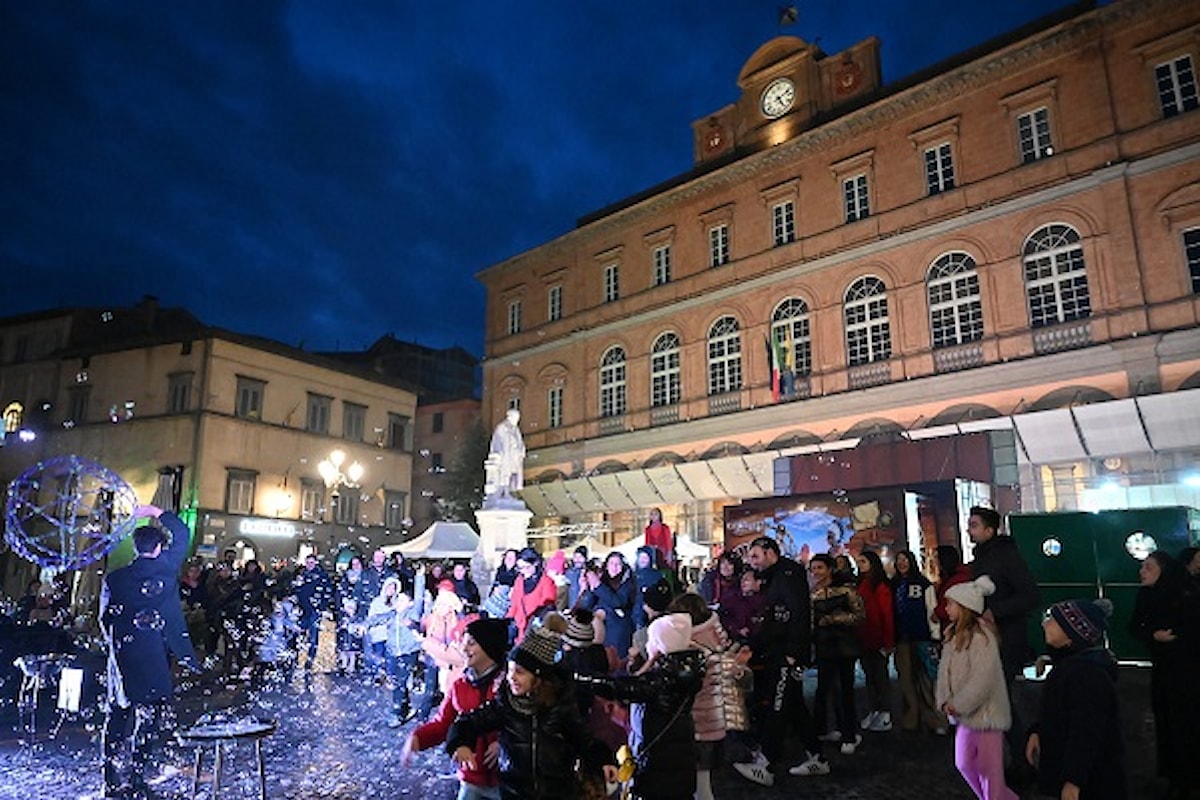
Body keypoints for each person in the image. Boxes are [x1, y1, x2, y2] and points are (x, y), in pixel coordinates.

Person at [445, 618, 617, 799]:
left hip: (556, 793)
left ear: (538, 677)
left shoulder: (560, 707)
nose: (511, 678)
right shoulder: (506, 705)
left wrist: (603, 761)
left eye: (519, 672)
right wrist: (460, 742)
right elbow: (469, 721)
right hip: (515, 794)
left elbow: (585, 740)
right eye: (510, 671)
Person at [100, 504, 200, 799]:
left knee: (117, 716)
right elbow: (181, 533)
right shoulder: (166, 569)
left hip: (122, 656)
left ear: (135, 547)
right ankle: (137, 777)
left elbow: (104, 617)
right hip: (153, 653)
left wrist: (115, 645)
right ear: (159, 547)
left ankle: (110, 779)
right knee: (149, 718)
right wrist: (155, 511)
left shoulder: (115, 578)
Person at [733, 536, 826, 787]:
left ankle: (767, 763)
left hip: (786, 653)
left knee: (778, 705)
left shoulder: (788, 574)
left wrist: (793, 652)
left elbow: (797, 613)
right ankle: (817, 756)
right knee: (793, 705)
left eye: (755, 556)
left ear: (769, 552)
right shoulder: (776, 575)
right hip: (777, 650)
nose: (751, 562)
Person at [966, 506, 1039, 788]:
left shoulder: (1006, 556)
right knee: (999, 702)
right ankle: (1016, 760)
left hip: (1007, 640)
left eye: (974, 525)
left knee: (1002, 701)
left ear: (989, 529)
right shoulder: (983, 557)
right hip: (989, 639)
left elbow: (1030, 595)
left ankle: (1023, 761)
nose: (970, 529)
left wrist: (997, 611)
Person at [1026, 598, 1127, 800]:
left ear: (1071, 635)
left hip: (1091, 781)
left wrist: (1073, 780)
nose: (1045, 624)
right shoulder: (1067, 666)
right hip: (1069, 768)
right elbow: (1054, 710)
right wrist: (1038, 730)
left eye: (1053, 621)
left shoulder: (1087, 675)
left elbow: (1087, 731)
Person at [404, 617, 511, 800]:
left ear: (489, 647)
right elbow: (443, 724)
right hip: (471, 780)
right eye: (463, 642)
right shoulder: (460, 686)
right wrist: (417, 738)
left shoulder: (509, 684)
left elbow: (524, 723)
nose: (463, 648)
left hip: (507, 781)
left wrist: (505, 743)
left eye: (471, 643)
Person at [935, 576, 1018, 800]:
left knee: (990, 774)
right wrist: (945, 699)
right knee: (964, 763)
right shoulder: (953, 635)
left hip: (986, 716)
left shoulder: (982, 638)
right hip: (963, 715)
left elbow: (983, 678)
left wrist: (958, 703)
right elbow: (945, 671)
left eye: (950, 604)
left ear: (965, 608)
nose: (946, 608)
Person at [1129, 551, 1200, 799]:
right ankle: (1173, 775)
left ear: (1164, 570)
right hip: (1163, 669)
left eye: (1148, 567)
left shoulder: (1188, 595)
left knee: (1188, 722)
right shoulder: (1147, 595)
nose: (1142, 572)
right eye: (1142, 567)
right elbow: (1134, 626)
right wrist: (1153, 636)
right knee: (1166, 721)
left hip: (1190, 671)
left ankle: (1191, 776)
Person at [809, 553, 865, 756]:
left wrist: (835, 619)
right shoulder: (812, 594)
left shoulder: (846, 591)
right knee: (823, 690)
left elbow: (859, 615)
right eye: (813, 568)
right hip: (824, 647)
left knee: (845, 691)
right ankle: (822, 729)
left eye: (820, 568)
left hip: (844, 647)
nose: (816, 572)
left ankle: (849, 733)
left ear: (830, 569)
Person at [890, 549, 945, 734]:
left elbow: (932, 610)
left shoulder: (923, 584)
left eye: (905, 559)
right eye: (898, 560)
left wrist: (935, 635)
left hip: (922, 637)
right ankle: (911, 719)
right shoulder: (893, 585)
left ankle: (935, 720)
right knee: (906, 681)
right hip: (901, 639)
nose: (901, 563)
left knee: (927, 680)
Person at [855, 549, 894, 733]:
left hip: (876, 639)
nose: (859, 565)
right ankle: (875, 709)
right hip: (864, 638)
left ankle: (885, 712)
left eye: (863, 561)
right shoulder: (861, 583)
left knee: (880, 677)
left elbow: (886, 615)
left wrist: (887, 642)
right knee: (870, 677)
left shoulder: (879, 586)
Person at [293, 553, 334, 670]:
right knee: (299, 634)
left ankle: (309, 661)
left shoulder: (322, 575)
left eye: (312, 562)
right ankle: (296, 658)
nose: (309, 565)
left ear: (316, 563)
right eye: (307, 562)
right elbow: (297, 590)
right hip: (303, 609)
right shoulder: (302, 574)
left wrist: (321, 606)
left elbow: (327, 592)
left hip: (314, 610)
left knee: (313, 636)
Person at [506, 548, 557, 641]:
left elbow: (548, 606)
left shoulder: (547, 582)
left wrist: (535, 622)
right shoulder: (519, 580)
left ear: (536, 563)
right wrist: (507, 621)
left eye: (527, 567)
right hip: (518, 628)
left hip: (535, 630)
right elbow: (514, 604)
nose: (523, 571)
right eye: (520, 568)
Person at [487, 408, 525, 497]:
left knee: (512, 476)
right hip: (505, 456)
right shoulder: (502, 427)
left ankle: (508, 494)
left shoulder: (516, 429)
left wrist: (521, 451)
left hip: (514, 457)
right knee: (504, 476)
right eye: (516, 417)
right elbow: (497, 442)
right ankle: (503, 493)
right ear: (510, 417)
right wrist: (498, 454)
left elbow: (520, 442)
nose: (517, 420)